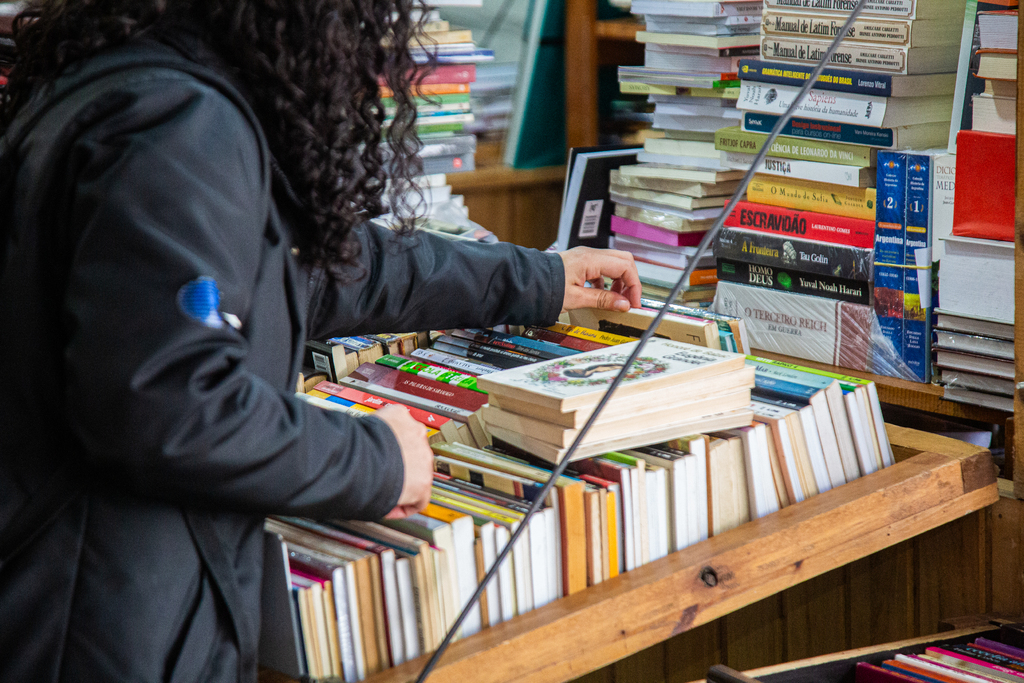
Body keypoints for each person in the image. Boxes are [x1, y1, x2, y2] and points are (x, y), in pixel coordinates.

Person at [0, 1, 641, 681]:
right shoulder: (180, 124)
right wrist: (378, 460)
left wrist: (537, 278)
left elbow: (322, 270)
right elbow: (169, 404)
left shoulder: (146, 85)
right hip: (104, 632)